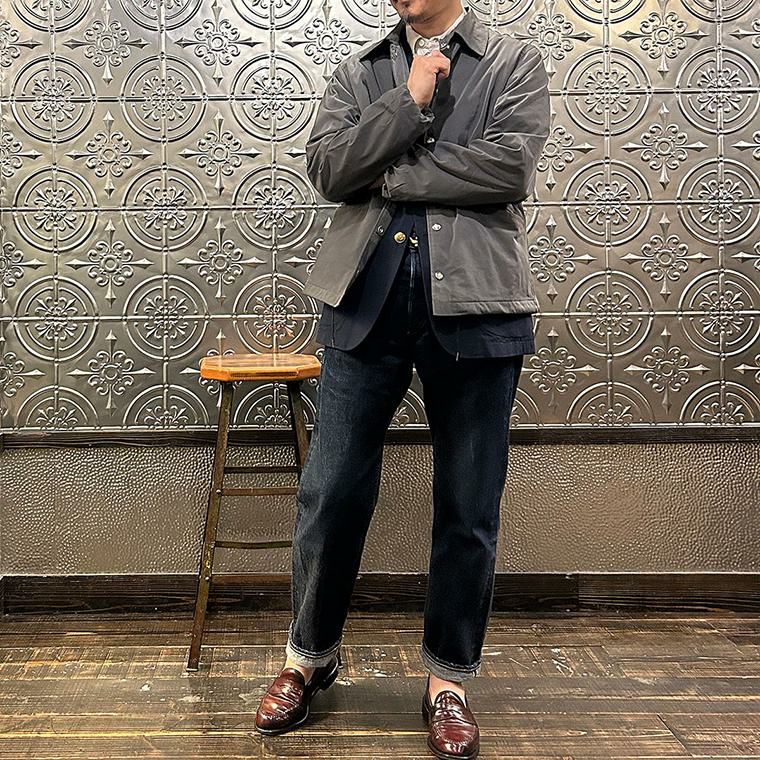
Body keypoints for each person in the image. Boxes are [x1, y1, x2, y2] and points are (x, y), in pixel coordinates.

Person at [255, 2, 549, 757]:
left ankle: (448, 679)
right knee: (331, 491)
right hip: (363, 303)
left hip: (479, 306)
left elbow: (509, 169)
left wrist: (388, 170)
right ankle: (308, 658)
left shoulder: (511, 62)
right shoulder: (361, 72)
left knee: (469, 503)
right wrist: (409, 101)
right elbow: (331, 170)